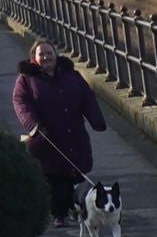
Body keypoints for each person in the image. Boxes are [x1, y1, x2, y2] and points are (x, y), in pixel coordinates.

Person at [11, 39, 105, 217]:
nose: (46, 57)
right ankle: (58, 214)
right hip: (46, 138)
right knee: (53, 178)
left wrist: (96, 120)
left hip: (74, 135)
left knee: (75, 174)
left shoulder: (72, 75)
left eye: (49, 53)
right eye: (41, 54)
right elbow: (20, 102)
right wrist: (32, 124)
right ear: (34, 58)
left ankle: (74, 208)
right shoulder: (26, 79)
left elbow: (87, 97)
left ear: (56, 55)